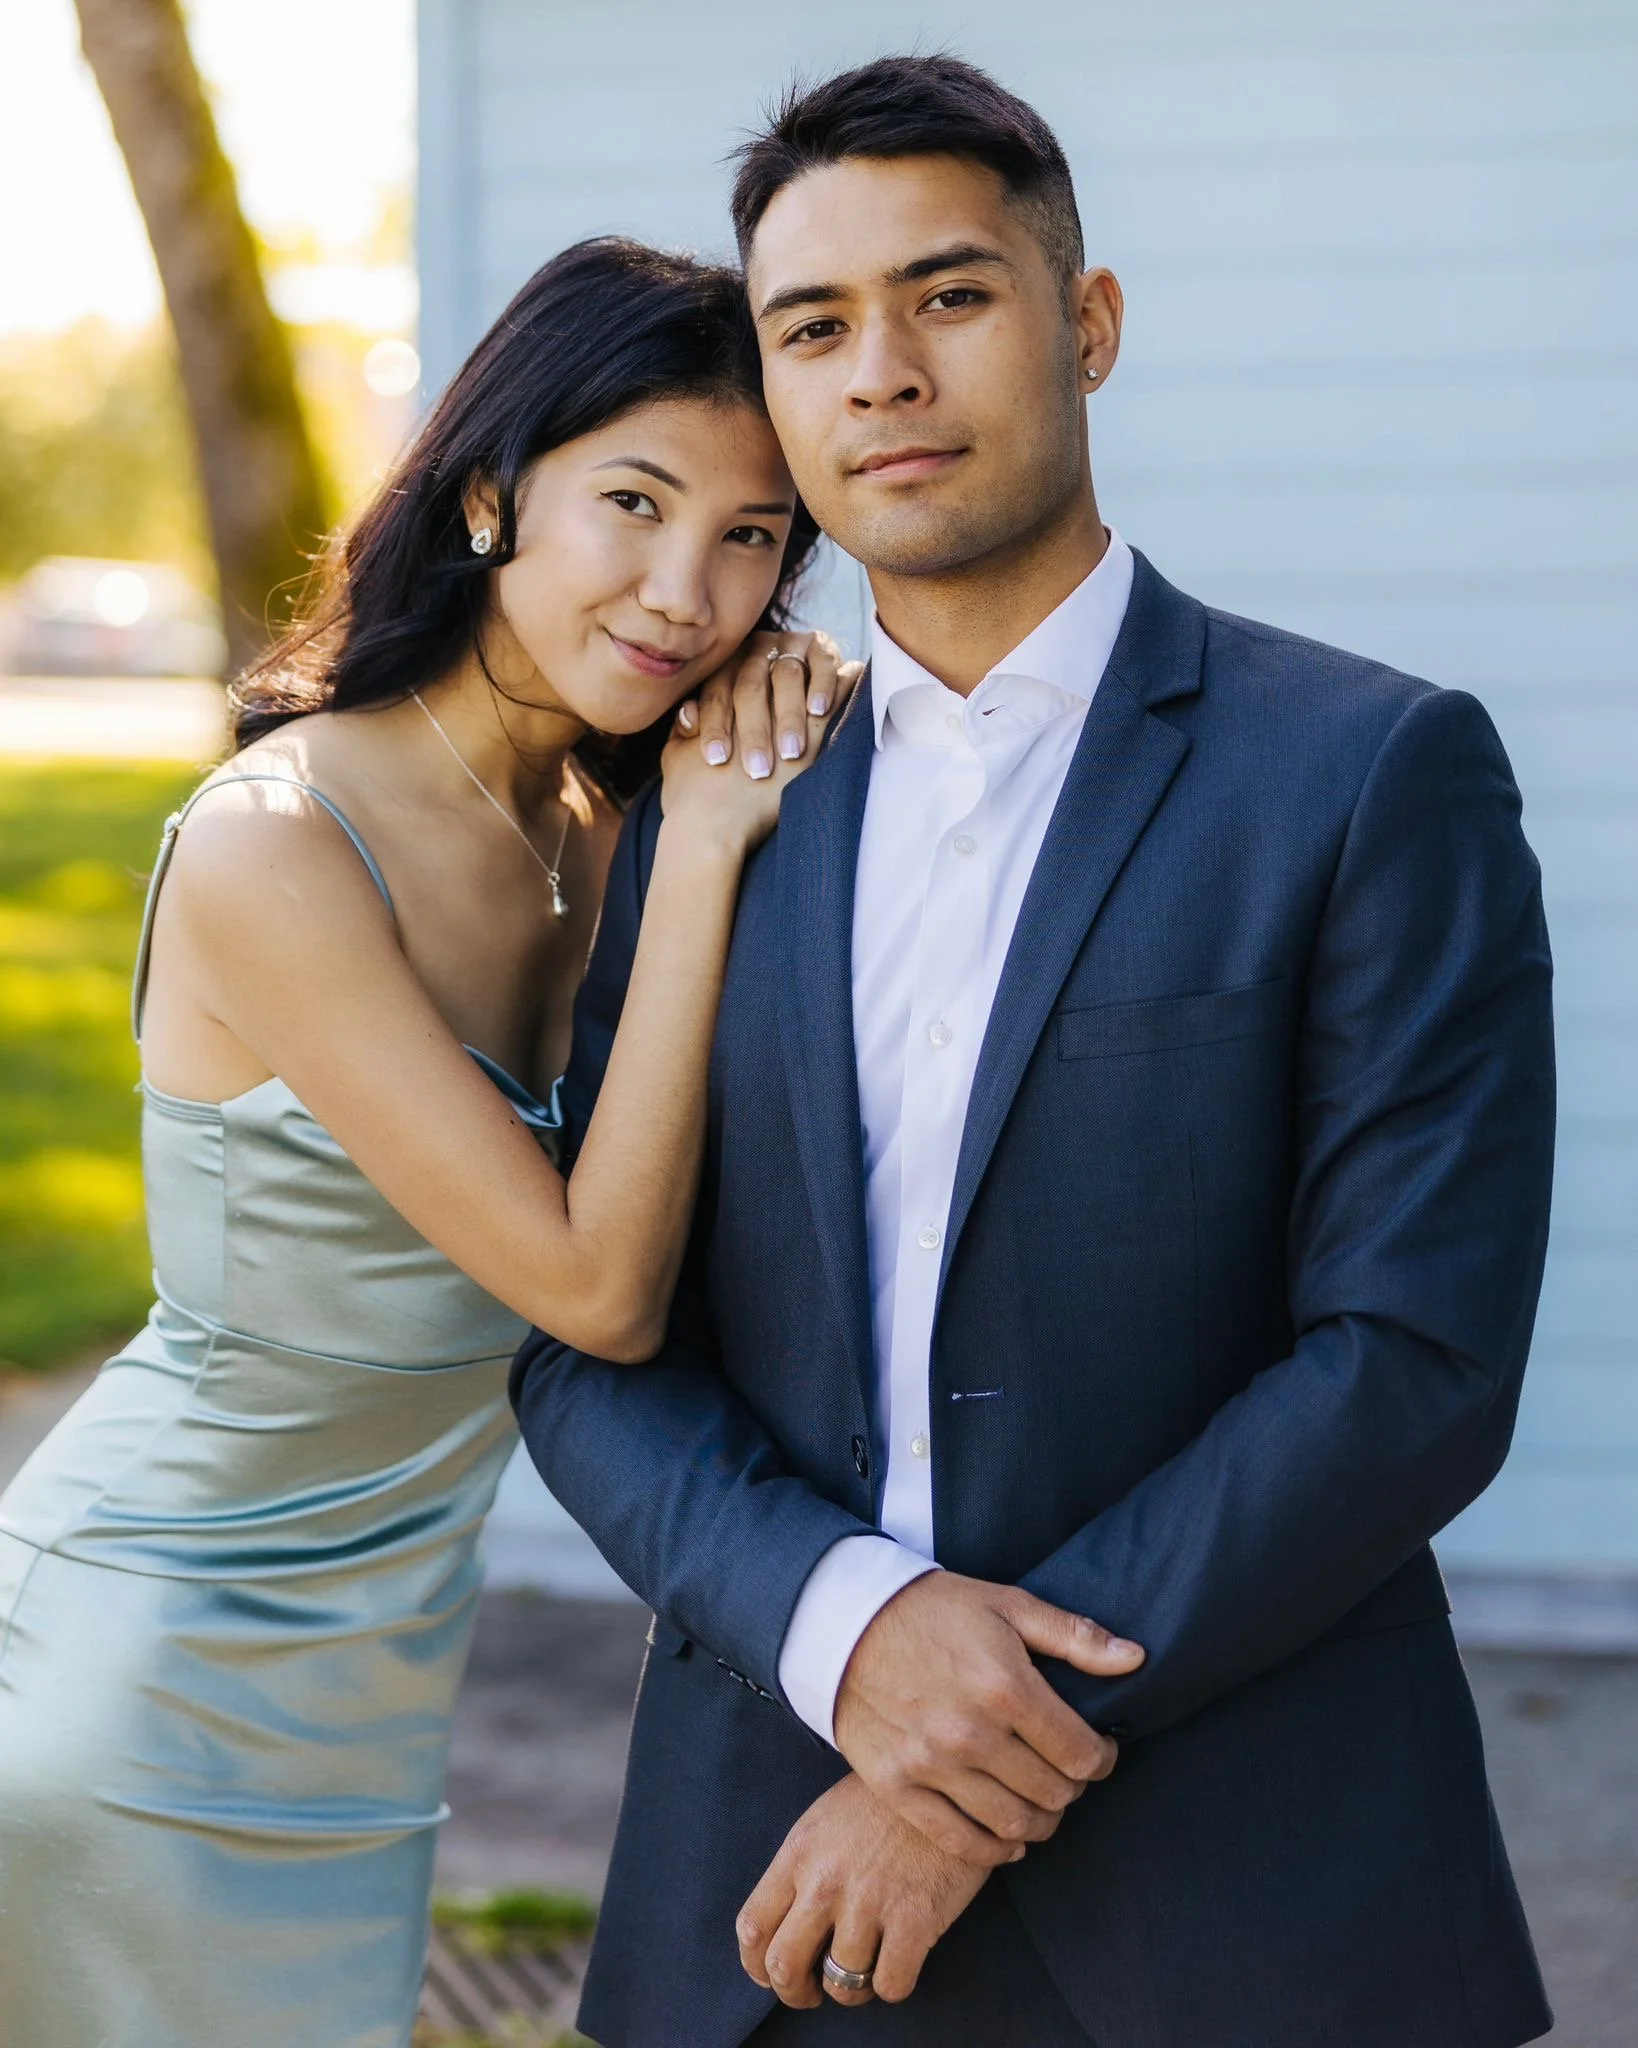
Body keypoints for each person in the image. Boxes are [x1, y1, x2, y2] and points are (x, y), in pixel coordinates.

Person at [512, 58, 1557, 2048]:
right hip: (767, 1896)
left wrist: (959, 1760)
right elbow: (585, 1338)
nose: (883, 374)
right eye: (814, 328)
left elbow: (1414, 1356)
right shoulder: (704, 803)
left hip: (1250, 1904)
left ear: (1088, 324)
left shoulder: (1367, 771)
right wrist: (850, 1632)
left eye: (950, 295)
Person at [0, 237, 856, 2048]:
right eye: (633, 502)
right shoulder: (279, 846)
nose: (685, 591)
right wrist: (706, 851)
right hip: (139, 1672)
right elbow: (593, 1288)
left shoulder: (598, 826)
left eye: (750, 536)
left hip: (372, 1705)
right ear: (487, 494)